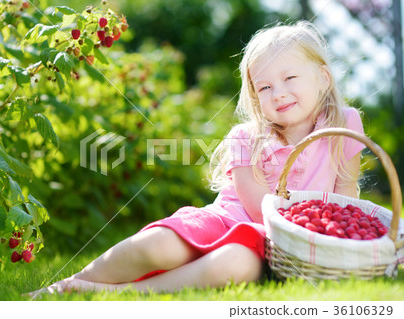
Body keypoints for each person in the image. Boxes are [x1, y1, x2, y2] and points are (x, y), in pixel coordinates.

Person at [29, 20, 365, 296]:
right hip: (229, 218)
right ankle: (70, 284)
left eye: (289, 78)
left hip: (278, 243)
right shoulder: (246, 138)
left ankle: (122, 293)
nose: (278, 93)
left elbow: (347, 189)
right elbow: (256, 206)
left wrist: (331, 240)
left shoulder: (344, 125)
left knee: (234, 265)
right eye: (264, 87)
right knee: (157, 245)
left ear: (323, 77)